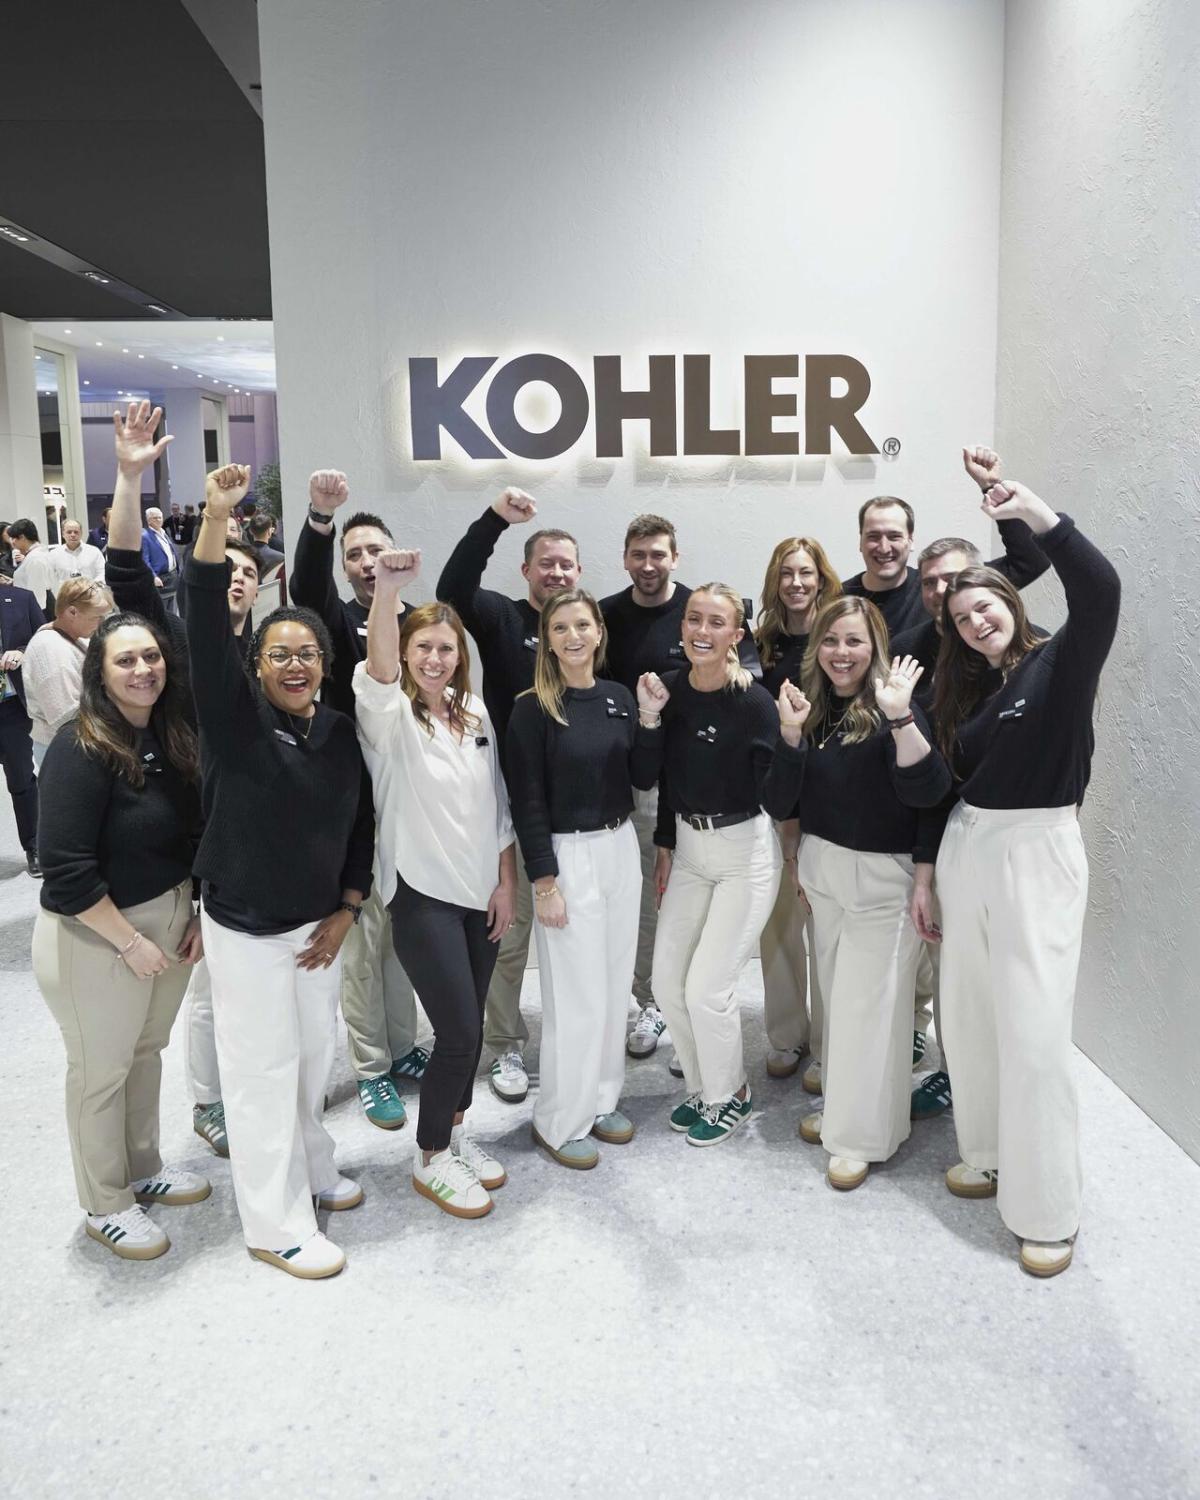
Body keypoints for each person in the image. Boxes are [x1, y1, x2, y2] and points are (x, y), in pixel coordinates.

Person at [921, 477, 1120, 1279]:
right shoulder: (973, 689)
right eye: (962, 618)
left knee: (1034, 1029)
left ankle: (1047, 1208)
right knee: (966, 1014)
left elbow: (1099, 584)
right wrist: (931, 874)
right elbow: (952, 783)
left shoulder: (1062, 662)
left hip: (1037, 849)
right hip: (970, 846)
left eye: (986, 606)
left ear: (1011, 598)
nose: (976, 621)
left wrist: (1028, 506)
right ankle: (991, 1152)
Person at [188, 463, 375, 1280]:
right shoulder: (237, 722)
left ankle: (313, 1165)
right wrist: (218, 517)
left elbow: (360, 823)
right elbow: (200, 622)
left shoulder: (337, 732)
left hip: (316, 927)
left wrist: (349, 906)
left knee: (310, 1057)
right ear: (257, 665)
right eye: (278, 654)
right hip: (247, 929)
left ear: (324, 663)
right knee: (261, 1071)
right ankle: (274, 1221)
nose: (294, 664)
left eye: (307, 653)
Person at [106, 403, 261, 1160]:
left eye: (249, 573)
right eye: (225, 569)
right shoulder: (169, 637)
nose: (236, 581)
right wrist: (131, 477)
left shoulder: (274, 653)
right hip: (188, 835)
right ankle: (210, 1101)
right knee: (204, 982)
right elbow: (125, 567)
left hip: (250, 835)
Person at [33, 611, 207, 1261]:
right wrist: (130, 943)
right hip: (97, 937)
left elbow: (190, 835)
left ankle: (142, 1168)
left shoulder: (168, 736)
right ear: (99, 674)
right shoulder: (78, 748)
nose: (143, 670)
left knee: (145, 1052)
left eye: (152, 657)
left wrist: (195, 913)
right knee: (100, 1072)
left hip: (168, 923)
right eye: (126, 661)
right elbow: (67, 870)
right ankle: (104, 1203)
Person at [355, 549, 516, 1218]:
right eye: (424, 645)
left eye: (446, 648)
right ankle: (429, 1159)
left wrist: (505, 884)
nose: (435, 659)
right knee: (454, 1034)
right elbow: (381, 668)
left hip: (481, 894)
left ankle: (453, 1135)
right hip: (421, 897)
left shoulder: (472, 711)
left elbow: (497, 806)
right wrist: (389, 594)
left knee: (471, 1031)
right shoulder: (388, 717)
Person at [893, 446, 1052, 1121]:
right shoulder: (933, 652)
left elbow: (1032, 563)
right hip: (957, 828)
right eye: (930, 583)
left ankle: (1013, 1100)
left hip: (1029, 839)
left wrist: (998, 491)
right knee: (961, 976)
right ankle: (961, 1078)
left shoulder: (1039, 654)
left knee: (1015, 988)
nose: (944, 596)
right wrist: (926, 869)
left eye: (955, 584)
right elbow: (940, 768)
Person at [788, 597, 950, 1190]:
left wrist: (902, 718)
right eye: (830, 640)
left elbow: (931, 791)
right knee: (838, 1000)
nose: (841, 653)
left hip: (882, 876)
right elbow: (793, 799)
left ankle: (861, 1138)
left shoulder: (896, 706)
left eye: (854, 641)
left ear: (875, 646)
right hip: (824, 872)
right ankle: (847, 1113)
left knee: (870, 1007)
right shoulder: (813, 709)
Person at [637, 585, 808, 1146]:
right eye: (693, 620)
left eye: (716, 623)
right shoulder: (672, 693)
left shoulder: (753, 702)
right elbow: (656, 777)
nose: (701, 631)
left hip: (744, 854)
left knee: (709, 987)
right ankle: (705, 1084)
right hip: (689, 851)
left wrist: (789, 737)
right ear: (681, 627)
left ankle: (729, 1093)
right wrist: (648, 719)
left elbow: (780, 801)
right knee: (667, 983)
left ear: (737, 636)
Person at [291, 470, 429, 1128]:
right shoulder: (339, 620)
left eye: (377, 549)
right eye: (355, 555)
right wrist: (322, 520)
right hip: (362, 801)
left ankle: (404, 1047)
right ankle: (371, 1065)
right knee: (364, 939)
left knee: (406, 935)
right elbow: (305, 588)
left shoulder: (426, 623)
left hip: (423, 801)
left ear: (398, 554)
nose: (368, 561)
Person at [600, 515, 763, 1065]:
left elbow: (748, 682)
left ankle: (679, 1011)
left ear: (676, 557)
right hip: (635, 775)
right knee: (652, 899)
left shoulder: (707, 611)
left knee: (692, 916)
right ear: (625, 558)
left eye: (658, 554)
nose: (649, 564)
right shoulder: (606, 616)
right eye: (638, 554)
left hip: (707, 794)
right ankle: (656, 1001)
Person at [507, 587, 659, 1168]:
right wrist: (544, 883)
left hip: (619, 847)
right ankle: (558, 1118)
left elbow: (642, 775)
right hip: (566, 859)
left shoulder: (619, 697)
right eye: (561, 628)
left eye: (583, 625)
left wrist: (648, 717)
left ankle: (599, 1101)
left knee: (613, 982)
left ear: (599, 631)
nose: (573, 636)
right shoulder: (532, 708)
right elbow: (528, 801)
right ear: (547, 639)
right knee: (574, 994)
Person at [437, 487, 579, 1104]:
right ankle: (503, 1047)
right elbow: (453, 587)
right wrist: (494, 518)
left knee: (577, 930)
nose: (556, 572)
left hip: (581, 810)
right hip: (512, 802)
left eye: (566, 564)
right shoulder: (501, 618)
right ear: (527, 571)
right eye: (545, 562)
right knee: (512, 930)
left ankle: (580, 1038)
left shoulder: (585, 629)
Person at [754, 536, 841, 1087]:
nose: (797, 583)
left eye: (806, 572)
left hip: (833, 803)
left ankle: (833, 1046)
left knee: (830, 929)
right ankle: (787, 1036)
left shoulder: (841, 637)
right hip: (774, 799)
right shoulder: (758, 644)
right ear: (774, 580)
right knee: (780, 926)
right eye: (787, 573)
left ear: (822, 577)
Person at [22, 578, 113, 766]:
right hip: (65, 751)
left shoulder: (72, 636)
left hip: (78, 744)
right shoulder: (51, 648)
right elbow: (64, 717)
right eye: (97, 617)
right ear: (72, 612)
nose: (101, 623)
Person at [0, 575, 45, 875]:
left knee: (21, 778)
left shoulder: (22, 599)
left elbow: (44, 642)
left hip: (11, 708)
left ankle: (35, 845)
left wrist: (24, 652)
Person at [842, 497, 924, 635]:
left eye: (894, 536)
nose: (884, 548)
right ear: (860, 542)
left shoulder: (932, 591)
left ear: (911, 541)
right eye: (873, 536)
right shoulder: (837, 599)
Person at [8, 519, 57, 615]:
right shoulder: (36, 555)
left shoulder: (35, 559)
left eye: (14, 538)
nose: (12, 542)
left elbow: (37, 596)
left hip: (38, 612)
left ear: (22, 537)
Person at [141, 507, 181, 613]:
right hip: (160, 579)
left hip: (172, 577)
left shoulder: (163, 533)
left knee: (172, 610)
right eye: (155, 518)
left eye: (160, 517)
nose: (159, 520)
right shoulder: (145, 536)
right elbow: (144, 560)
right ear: (149, 520)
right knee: (162, 611)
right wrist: (153, 576)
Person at [49, 519, 106, 586]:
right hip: (64, 595)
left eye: (76, 532)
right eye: (69, 532)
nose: (73, 535)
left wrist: (91, 589)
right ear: (63, 534)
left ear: (81, 533)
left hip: (90, 594)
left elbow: (102, 573)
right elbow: (50, 578)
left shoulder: (94, 552)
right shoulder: (53, 555)